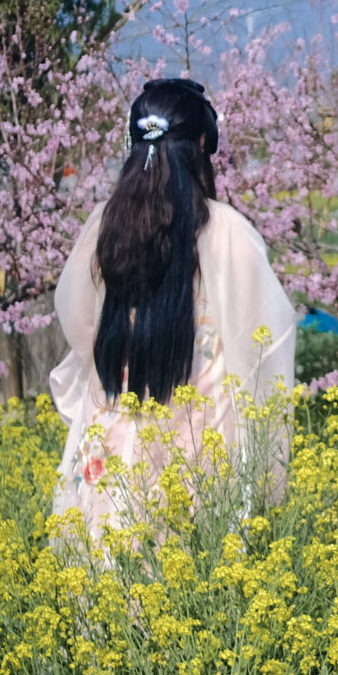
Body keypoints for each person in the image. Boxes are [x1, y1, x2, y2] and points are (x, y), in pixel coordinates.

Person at [46, 78, 297, 551]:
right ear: (204, 144)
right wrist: (267, 468)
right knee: (188, 604)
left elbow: (76, 320)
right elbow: (266, 346)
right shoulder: (228, 233)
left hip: (112, 456)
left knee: (102, 602)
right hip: (198, 459)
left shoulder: (104, 225)